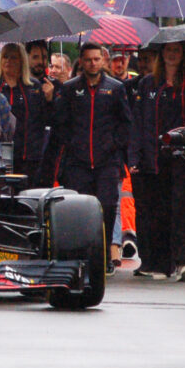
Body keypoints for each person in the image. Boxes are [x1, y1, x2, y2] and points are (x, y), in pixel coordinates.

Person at [46, 42, 133, 273]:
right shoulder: (71, 88)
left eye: (97, 59)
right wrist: (73, 144)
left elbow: (126, 123)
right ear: (81, 62)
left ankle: (103, 257)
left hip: (107, 162)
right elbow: (60, 123)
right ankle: (79, 257)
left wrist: (113, 144)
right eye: (88, 59)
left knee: (106, 207)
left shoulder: (115, 88)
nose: (93, 63)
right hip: (78, 162)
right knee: (78, 210)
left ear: (102, 61)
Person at [129, 42, 185, 281]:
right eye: (168, 51)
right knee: (159, 211)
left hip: (184, 157)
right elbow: (139, 123)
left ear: (183, 55)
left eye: (177, 51)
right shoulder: (148, 83)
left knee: (183, 209)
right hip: (156, 156)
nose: (172, 55)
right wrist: (136, 155)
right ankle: (161, 263)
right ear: (162, 55)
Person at [0, 43, 51, 185]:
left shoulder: (34, 87)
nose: (8, 61)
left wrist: (50, 100)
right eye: (5, 57)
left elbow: (44, 119)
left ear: (22, 61)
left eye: (14, 58)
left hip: (28, 156)